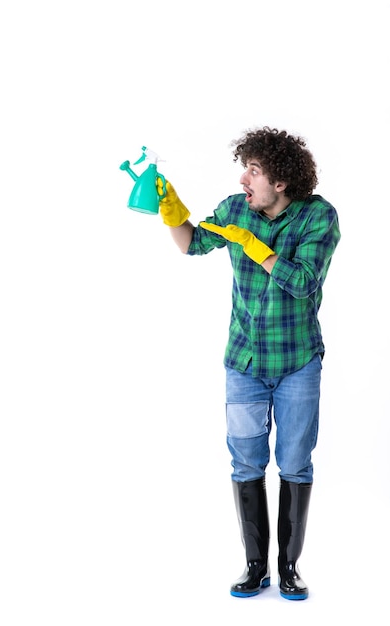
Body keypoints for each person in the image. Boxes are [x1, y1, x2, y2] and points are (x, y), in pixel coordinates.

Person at [156, 126, 341, 601]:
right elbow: (192, 243)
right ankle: (255, 565)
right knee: (245, 462)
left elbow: (302, 282)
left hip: (298, 361)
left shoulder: (318, 218)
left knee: (296, 463)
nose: (243, 179)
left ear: (280, 181)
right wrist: (170, 210)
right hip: (243, 361)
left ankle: (290, 568)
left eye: (254, 171)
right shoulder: (237, 208)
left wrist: (258, 248)